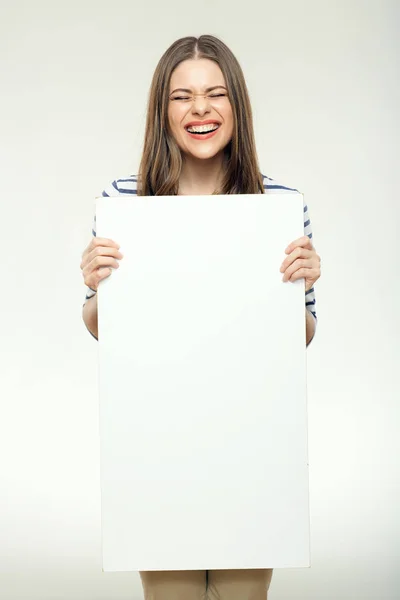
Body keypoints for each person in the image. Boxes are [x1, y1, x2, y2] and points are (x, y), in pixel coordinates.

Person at [80, 34, 321, 600]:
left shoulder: (281, 202)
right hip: (158, 442)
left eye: (215, 94)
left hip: (252, 441)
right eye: (181, 97)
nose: (200, 110)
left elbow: (302, 336)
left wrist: (301, 286)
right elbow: (100, 327)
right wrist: (96, 286)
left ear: (237, 105)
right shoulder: (124, 200)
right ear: (162, 113)